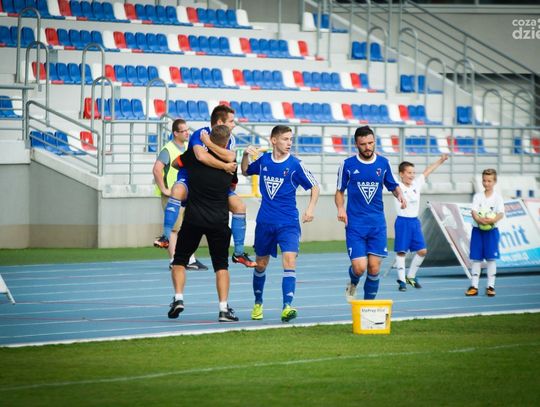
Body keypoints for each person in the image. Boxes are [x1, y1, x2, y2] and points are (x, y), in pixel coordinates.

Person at [154, 105, 257, 268]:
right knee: (177, 190)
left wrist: (209, 144)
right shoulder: (200, 133)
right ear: (219, 122)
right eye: (231, 121)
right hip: (192, 180)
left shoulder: (229, 138)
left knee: (240, 206)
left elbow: (230, 156)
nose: (234, 124)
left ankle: (238, 253)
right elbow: (201, 157)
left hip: (216, 185)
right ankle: (166, 237)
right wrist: (224, 165)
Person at [241, 125, 319, 322]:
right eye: (285, 139)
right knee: (261, 264)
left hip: (288, 222)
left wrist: (310, 209)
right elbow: (245, 171)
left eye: (291, 139)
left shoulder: (295, 165)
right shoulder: (264, 160)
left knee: (290, 260)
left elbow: (314, 186)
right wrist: (245, 155)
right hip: (265, 222)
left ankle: (287, 307)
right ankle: (258, 303)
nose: (289, 143)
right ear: (273, 140)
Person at [168, 125, 239, 322]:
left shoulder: (194, 155)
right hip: (219, 220)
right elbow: (232, 187)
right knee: (221, 266)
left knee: (179, 260)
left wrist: (196, 160)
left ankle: (178, 298)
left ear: (208, 138)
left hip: (194, 218)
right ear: (227, 142)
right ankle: (223, 309)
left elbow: (175, 163)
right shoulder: (231, 164)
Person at [335, 126, 406, 302]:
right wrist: (341, 208)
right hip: (355, 225)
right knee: (359, 268)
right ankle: (353, 282)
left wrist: (400, 195)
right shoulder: (347, 165)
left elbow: (393, 185)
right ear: (356, 144)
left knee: (374, 268)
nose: (368, 147)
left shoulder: (383, 163)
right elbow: (339, 191)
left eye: (370, 143)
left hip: (377, 225)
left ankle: (368, 307)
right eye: (363, 144)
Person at [152, 119, 206, 270]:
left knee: (187, 227)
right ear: (175, 133)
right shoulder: (168, 149)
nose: (187, 133)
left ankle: (190, 259)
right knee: (174, 228)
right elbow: (156, 169)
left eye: (188, 130)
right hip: (172, 195)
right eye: (184, 131)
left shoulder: (189, 147)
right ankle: (174, 260)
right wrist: (164, 189)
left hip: (186, 193)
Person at [394, 154, 448, 291]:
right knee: (401, 252)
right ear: (401, 174)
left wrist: (441, 160)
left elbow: (428, 171)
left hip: (414, 222)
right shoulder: (397, 186)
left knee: (422, 251)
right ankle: (401, 281)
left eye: (413, 173)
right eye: (409, 173)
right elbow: (385, 171)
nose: (412, 175)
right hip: (402, 222)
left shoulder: (416, 184)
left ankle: (411, 276)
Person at [465, 168, 504, 297]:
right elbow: (474, 212)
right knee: (476, 259)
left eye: (489, 181)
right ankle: (474, 286)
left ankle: (490, 286)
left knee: (491, 259)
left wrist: (492, 220)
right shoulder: (478, 196)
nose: (486, 183)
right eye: (484, 180)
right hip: (477, 230)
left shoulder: (498, 198)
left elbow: (500, 214)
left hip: (491, 232)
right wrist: (479, 220)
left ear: (494, 182)